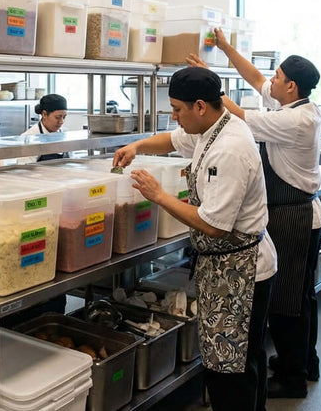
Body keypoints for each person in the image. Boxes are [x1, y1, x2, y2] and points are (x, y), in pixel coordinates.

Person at [113, 66, 277, 411]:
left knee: (230, 368)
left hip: (241, 270)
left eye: (177, 109)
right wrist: (138, 145)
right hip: (225, 265)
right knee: (241, 357)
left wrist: (158, 195)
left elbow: (214, 225)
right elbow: (173, 140)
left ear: (200, 105)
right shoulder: (213, 128)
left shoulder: (230, 148)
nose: (174, 117)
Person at [189, 31, 321, 399]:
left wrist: (207, 87)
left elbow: (238, 115)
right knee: (299, 296)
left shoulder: (297, 121)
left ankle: (294, 377)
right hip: (293, 211)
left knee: (289, 302)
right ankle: (304, 362)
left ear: (292, 86)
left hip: (294, 215)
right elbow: (255, 79)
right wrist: (225, 49)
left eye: (278, 77)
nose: (272, 81)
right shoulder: (292, 106)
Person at [17, 94, 69, 164]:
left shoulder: (64, 133)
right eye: (57, 117)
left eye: (64, 117)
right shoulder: (29, 137)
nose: (61, 121)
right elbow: (24, 167)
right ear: (44, 114)